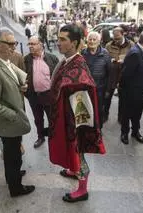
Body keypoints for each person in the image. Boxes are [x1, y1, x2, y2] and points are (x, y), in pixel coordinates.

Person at [49, 24, 106, 203]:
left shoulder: (78, 66)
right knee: (72, 152)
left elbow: (82, 100)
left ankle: (82, 190)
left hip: (73, 123)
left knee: (77, 152)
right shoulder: (69, 61)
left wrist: (77, 129)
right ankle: (73, 170)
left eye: (62, 40)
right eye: (58, 39)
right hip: (64, 118)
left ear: (73, 43)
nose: (58, 43)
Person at [0, 29, 35, 197]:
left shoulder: (4, 60)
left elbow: (11, 75)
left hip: (12, 119)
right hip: (8, 121)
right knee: (13, 155)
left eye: (15, 43)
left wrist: (21, 86)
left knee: (12, 153)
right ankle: (16, 188)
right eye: (10, 44)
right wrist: (13, 115)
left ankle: (12, 176)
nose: (14, 47)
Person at [120, 30, 143, 144]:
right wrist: (127, 92)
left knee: (137, 112)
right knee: (127, 113)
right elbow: (126, 75)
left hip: (140, 91)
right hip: (131, 92)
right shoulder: (135, 53)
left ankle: (135, 131)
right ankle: (124, 133)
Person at [24, 36, 59, 148]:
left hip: (48, 95)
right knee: (38, 119)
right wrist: (27, 94)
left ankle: (54, 138)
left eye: (33, 44)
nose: (30, 46)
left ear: (41, 44)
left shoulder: (52, 58)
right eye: (29, 44)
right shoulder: (26, 59)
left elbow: (59, 77)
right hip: (34, 96)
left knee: (52, 118)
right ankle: (40, 137)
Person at [81, 31, 112, 127]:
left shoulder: (105, 53)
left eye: (94, 39)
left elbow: (109, 73)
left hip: (100, 89)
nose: (92, 41)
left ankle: (98, 128)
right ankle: (88, 128)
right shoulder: (83, 53)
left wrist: (108, 90)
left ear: (99, 41)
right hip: (86, 88)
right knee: (87, 108)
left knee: (99, 109)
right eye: (90, 39)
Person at [105, 27, 134, 123]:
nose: (116, 39)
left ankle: (121, 118)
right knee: (107, 97)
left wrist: (125, 61)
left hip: (124, 75)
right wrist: (111, 60)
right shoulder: (109, 45)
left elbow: (134, 59)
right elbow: (105, 58)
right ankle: (105, 115)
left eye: (118, 37)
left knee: (123, 99)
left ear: (123, 34)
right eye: (114, 37)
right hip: (112, 75)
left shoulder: (131, 45)